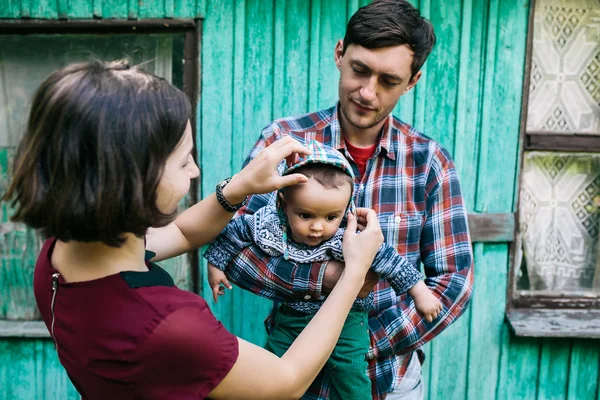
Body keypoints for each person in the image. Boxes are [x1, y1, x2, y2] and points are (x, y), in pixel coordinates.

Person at [2, 60, 387, 400]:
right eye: (184, 160)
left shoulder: (60, 254)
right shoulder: (169, 326)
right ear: (136, 178)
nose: (195, 171)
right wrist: (354, 271)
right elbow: (286, 382)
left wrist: (239, 188)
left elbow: (184, 234)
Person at [208, 1, 475, 399]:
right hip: (288, 372)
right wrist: (324, 279)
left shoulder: (429, 163)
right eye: (359, 70)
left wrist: (358, 343)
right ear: (339, 54)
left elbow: (453, 282)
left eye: (388, 80)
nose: (368, 92)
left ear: (413, 80)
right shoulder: (282, 144)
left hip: (389, 380)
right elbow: (237, 252)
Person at [204, 140, 442, 399]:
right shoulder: (269, 225)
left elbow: (389, 260)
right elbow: (235, 232)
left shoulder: (348, 235)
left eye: (330, 217)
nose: (318, 227)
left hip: (346, 321)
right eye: (305, 215)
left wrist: (419, 291)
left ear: (346, 209)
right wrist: (216, 264)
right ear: (283, 204)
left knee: (351, 371)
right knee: (271, 368)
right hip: (292, 317)